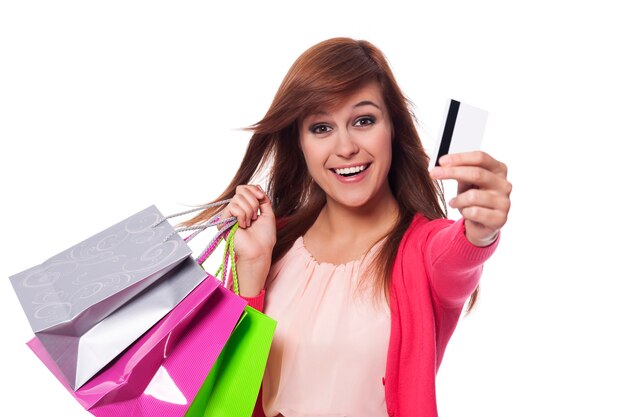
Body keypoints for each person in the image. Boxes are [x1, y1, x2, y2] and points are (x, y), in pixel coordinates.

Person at [186, 37, 512, 417]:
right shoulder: (274, 243)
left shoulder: (423, 250)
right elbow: (228, 399)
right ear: (301, 143)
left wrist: (481, 229)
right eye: (321, 128)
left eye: (363, 120)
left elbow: (460, 253)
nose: (345, 148)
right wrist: (253, 268)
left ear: (392, 128)